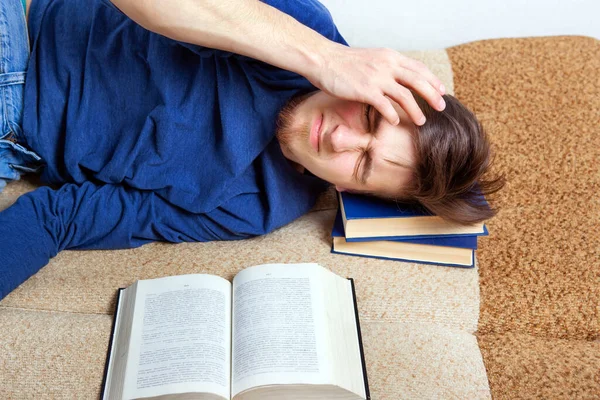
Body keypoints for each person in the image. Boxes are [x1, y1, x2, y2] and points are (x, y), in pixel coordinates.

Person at [0, 0, 503, 299]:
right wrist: (323, 56)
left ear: (350, 188)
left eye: (364, 161)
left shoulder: (255, 208)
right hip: (18, 31)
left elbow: (63, 217)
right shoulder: (301, 32)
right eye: (369, 116)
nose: (340, 138)